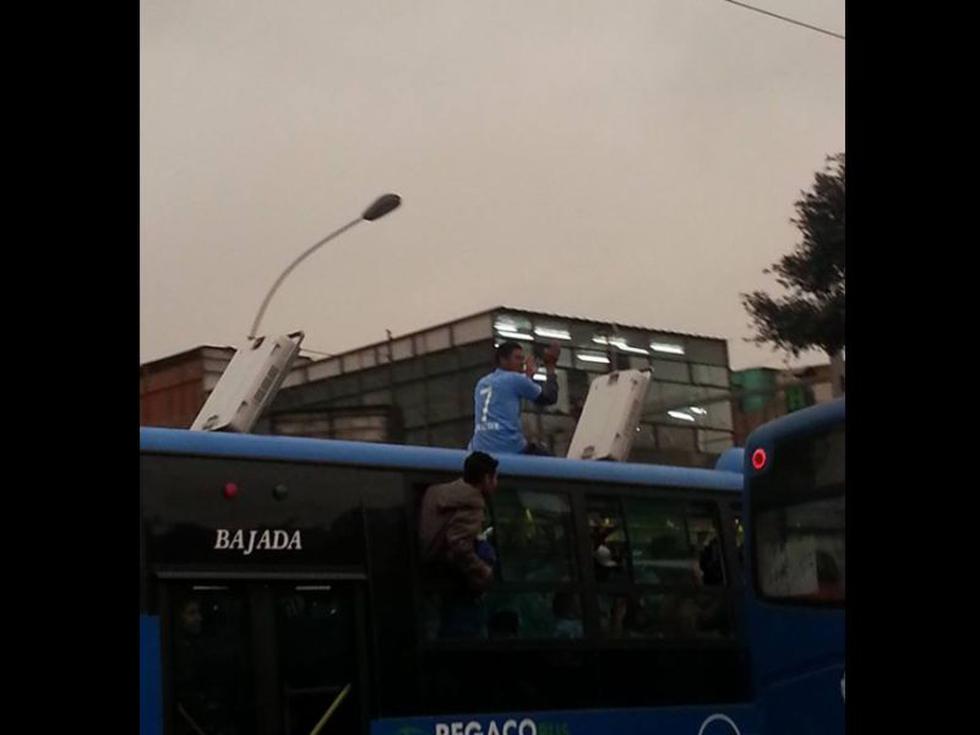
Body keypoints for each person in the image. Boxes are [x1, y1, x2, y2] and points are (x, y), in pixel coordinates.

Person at [418, 451, 500, 637]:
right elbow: (459, 545)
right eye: (496, 478)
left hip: (431, 577)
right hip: (453, 585)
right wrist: (483, 571)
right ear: (487, 479)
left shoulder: (436, 492)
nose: (496, 484)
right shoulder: (473, 501)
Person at [469, 341, 560, 455]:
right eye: (517, 358)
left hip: (479, 446)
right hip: (507, 445)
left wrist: (527, 377)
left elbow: (507, 392)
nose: (522, 362)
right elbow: (550, 398)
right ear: (503, 360)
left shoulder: (482, 383)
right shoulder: (515, 379)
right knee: (550, 460)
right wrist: (550, 366)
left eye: (522, 358)